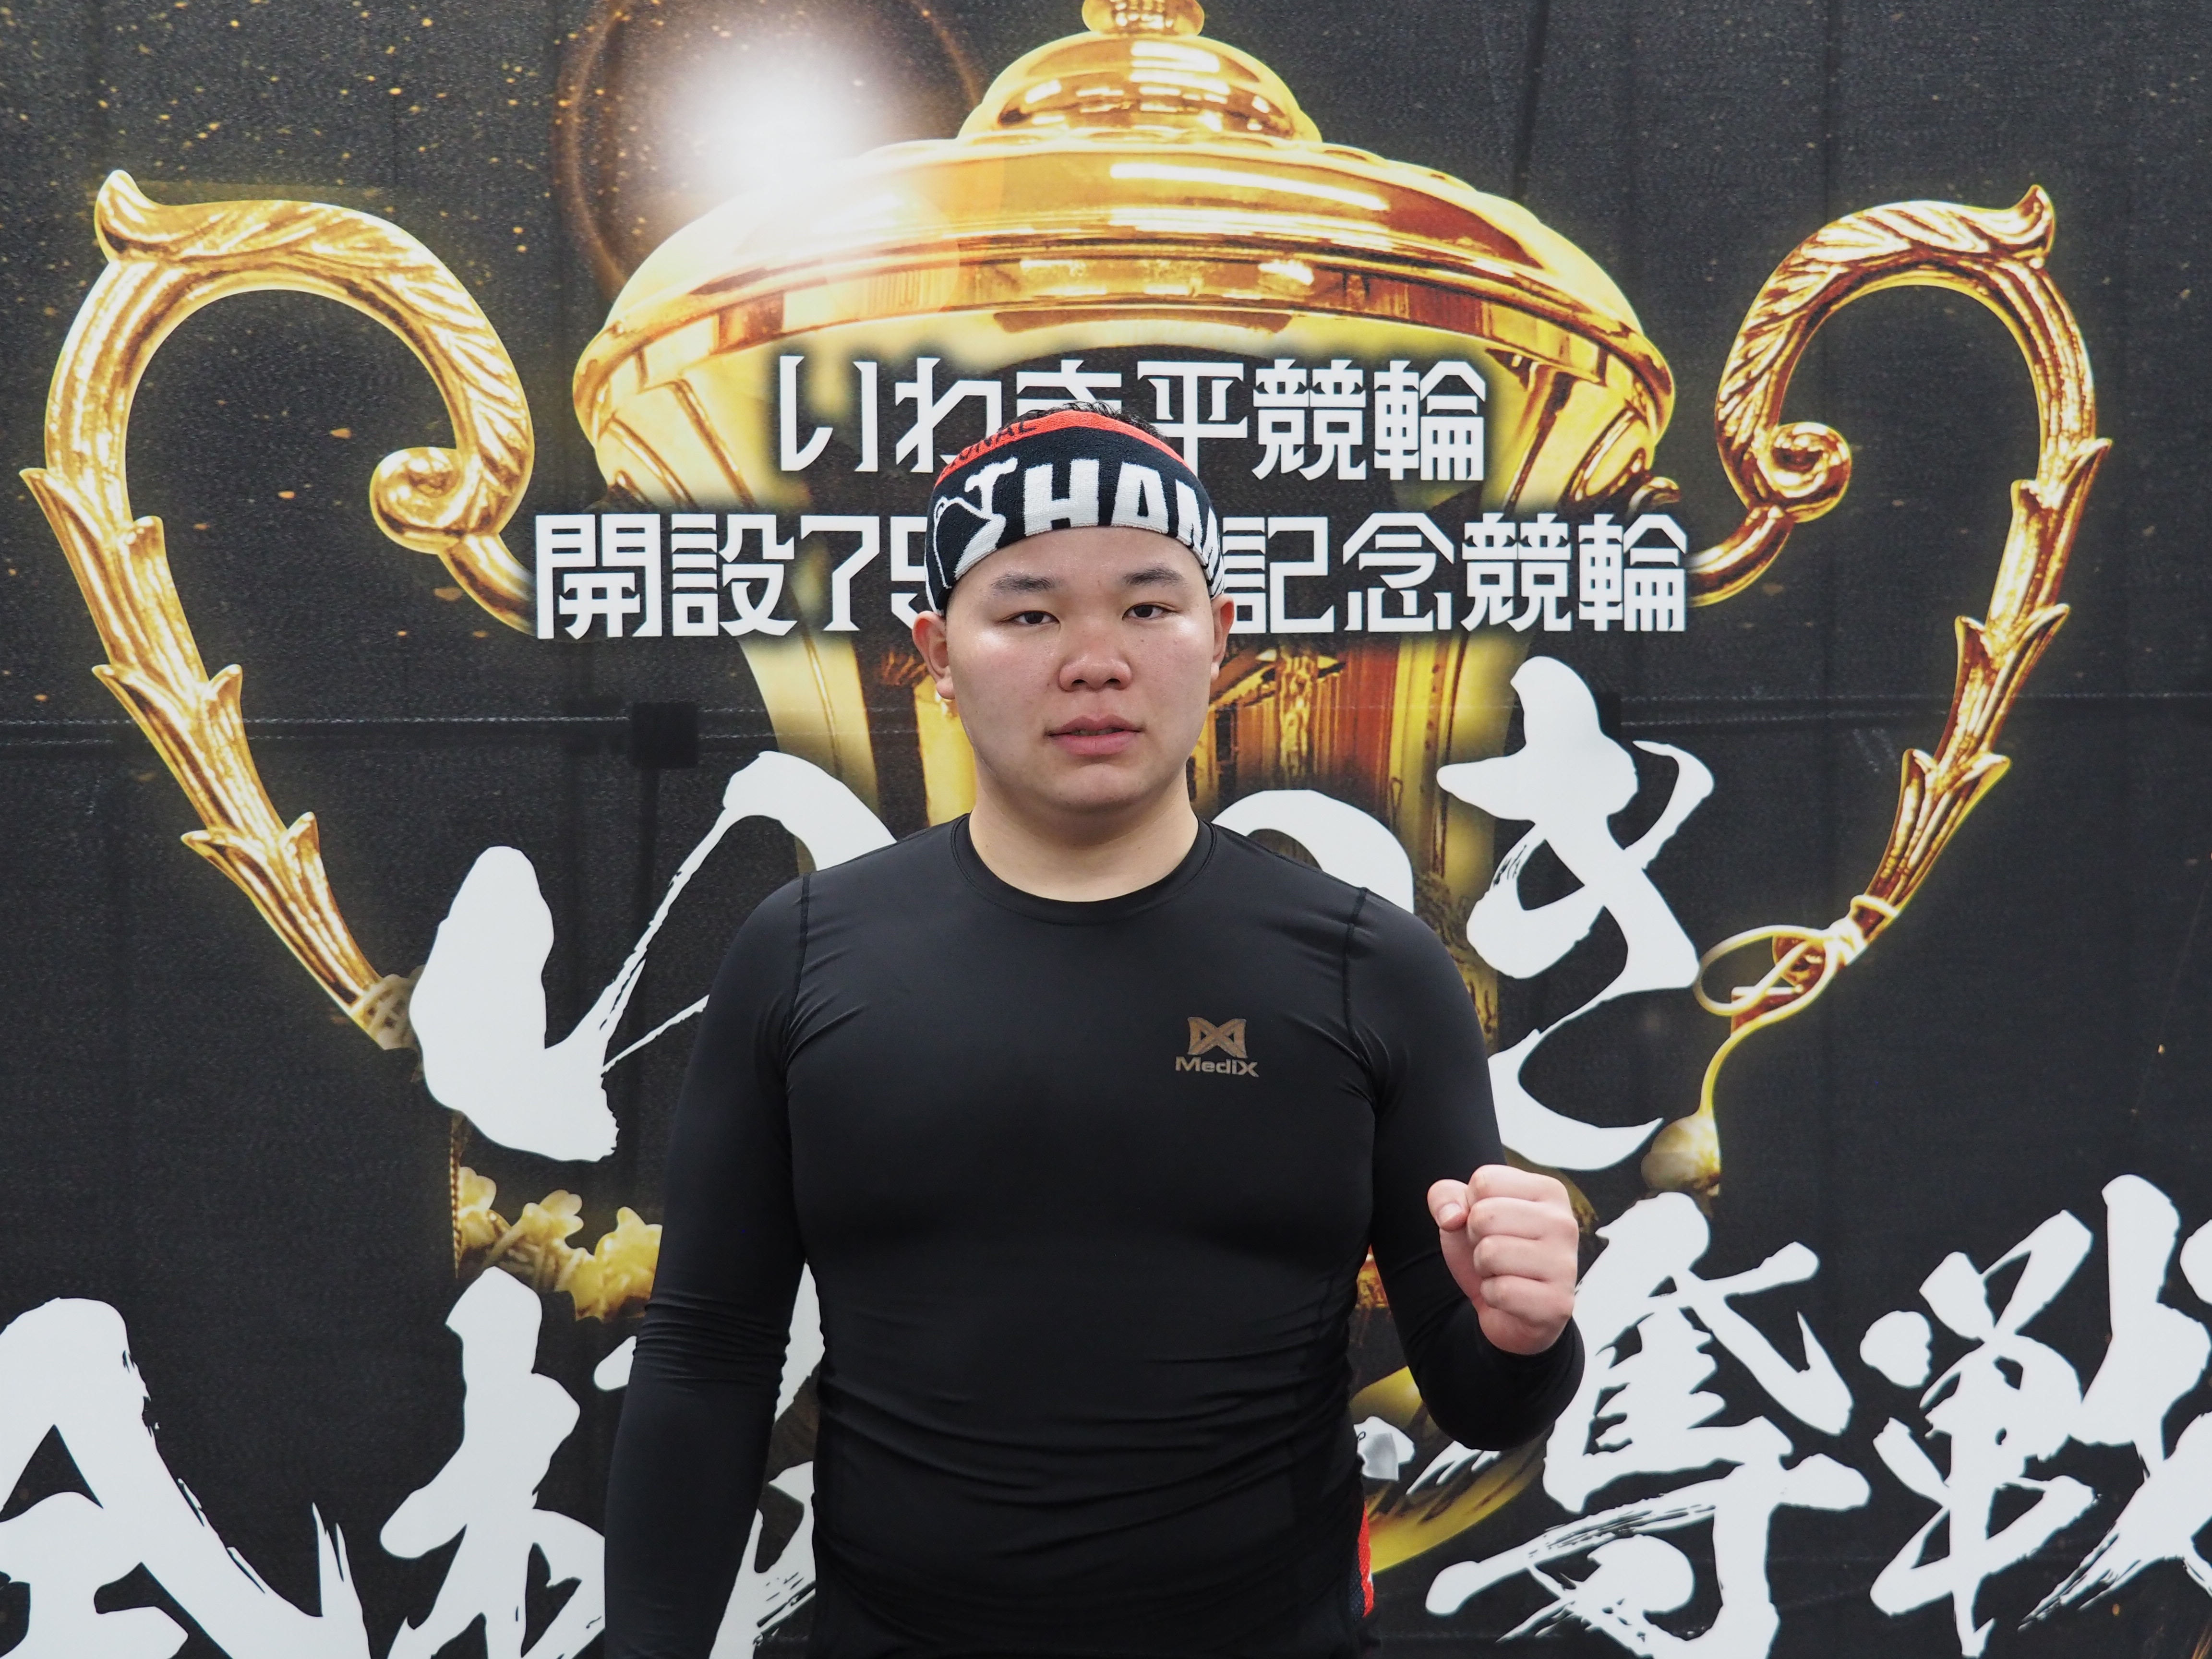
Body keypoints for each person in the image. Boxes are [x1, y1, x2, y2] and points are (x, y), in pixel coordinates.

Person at [604, 406, 1584, 1659]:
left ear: (1221, 638)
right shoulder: (804, 953)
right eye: (1028, 615)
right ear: (936, 654)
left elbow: (1481, 1396)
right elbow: (707, 1357)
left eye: (1148, 606)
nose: (1094, 662)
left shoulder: (1368, 970)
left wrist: (1527, 1330)